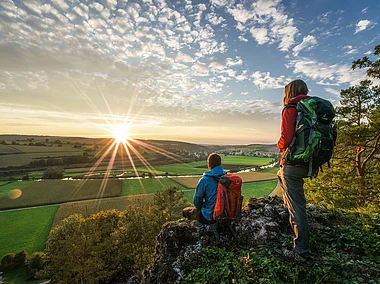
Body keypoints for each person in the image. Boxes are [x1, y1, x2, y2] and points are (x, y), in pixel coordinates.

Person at [277, 79, 315, 267]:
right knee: (282, 179)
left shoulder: (291, 109)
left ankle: (301, 252)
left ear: (289, 93)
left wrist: (279, 146)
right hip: (308, 162)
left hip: (293, 163)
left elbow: (286, 138)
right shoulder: (310, 108)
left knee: (297, 206)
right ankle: (296, 233)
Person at [183, 153, 226, 225]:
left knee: (185, 212)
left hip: (211, 216)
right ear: (221, 164)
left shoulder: (204, 180)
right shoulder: (228, 177)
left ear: (209, 165)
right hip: (229, 212)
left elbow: (197, 202)